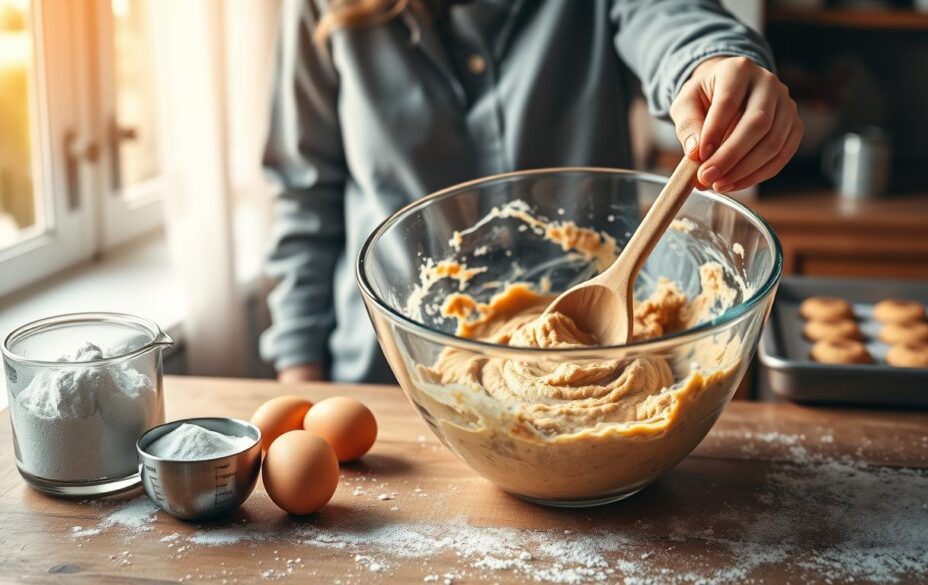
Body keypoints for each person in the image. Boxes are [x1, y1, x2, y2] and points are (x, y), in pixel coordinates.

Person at [261, 0, 802, 384]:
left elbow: (673, 20)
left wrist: (710, 66)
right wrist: (300, 381)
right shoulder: (322, 8)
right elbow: (305, 198)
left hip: (610, 356)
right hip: (388, 383)